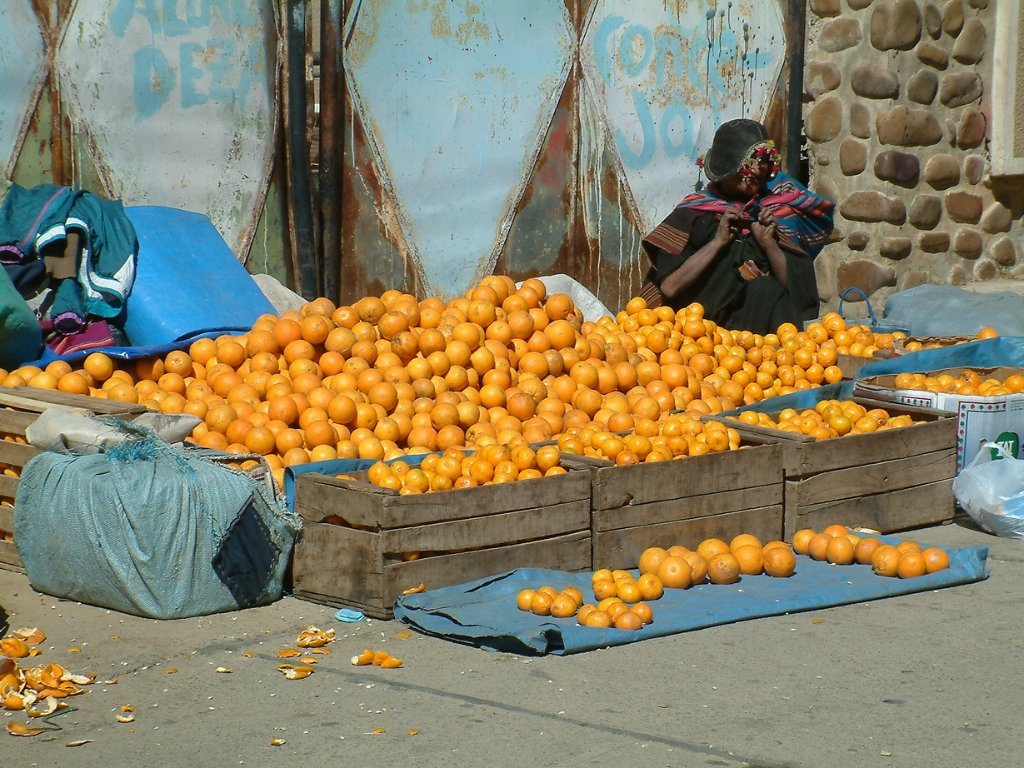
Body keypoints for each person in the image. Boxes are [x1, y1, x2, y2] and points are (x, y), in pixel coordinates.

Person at [640, 119, 835, 335]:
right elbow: (670, 287)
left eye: (762, 161)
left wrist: (769, 245)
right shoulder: (695, 213)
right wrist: (718, 243)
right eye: (748, 161)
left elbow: (800, 293)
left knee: (766, 289)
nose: (756, 169)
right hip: (698, 334)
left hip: (755, 343)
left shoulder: (775, 212)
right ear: (726, 164)